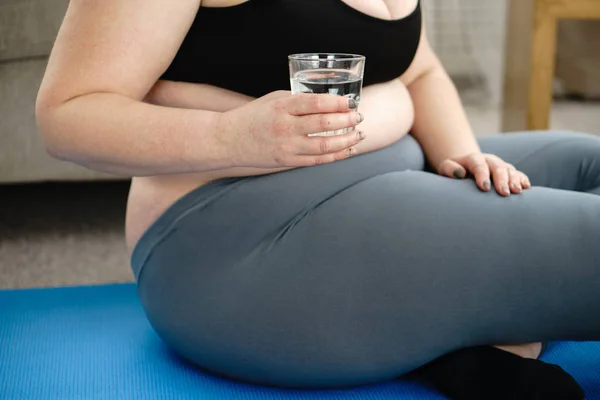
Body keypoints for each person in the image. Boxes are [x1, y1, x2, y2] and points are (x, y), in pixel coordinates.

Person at [35, 0, 600, 399]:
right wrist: (233, 136)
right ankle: (477, 320)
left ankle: (457, 333)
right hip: (241, 238)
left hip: (391, 172)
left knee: (586, 158)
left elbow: (417, 69)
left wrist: (460, 152)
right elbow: (68, 114)